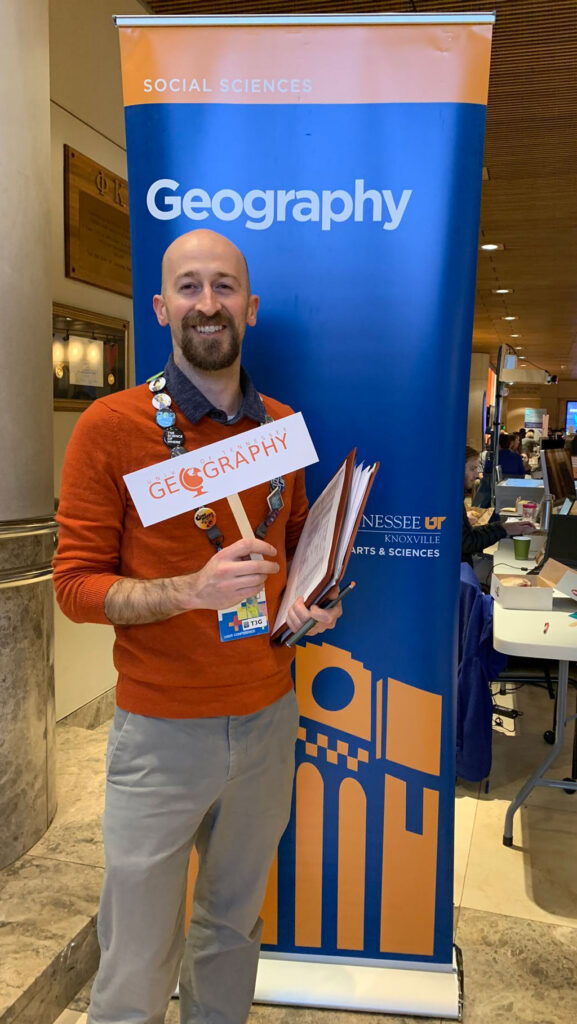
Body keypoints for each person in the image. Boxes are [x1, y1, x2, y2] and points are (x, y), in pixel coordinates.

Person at [53, 228, 343, 1024]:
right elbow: (74, 588)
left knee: (232, 927)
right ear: (160, 307)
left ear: (249, 307)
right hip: (160, 734)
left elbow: (290, 552)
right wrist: (190, 590)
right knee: (137, 950)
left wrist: (312, 599)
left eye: (223, 286)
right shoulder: (110, 426)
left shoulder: (280, 427)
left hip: (268, 717)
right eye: (188, 287)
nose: (206, 303)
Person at [462, 445, 534, 566]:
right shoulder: (449, 502)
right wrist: (504, 529)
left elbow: (468, 537)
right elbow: (468, 542)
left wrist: (504, 527)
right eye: (472, 468)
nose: (476, 475)